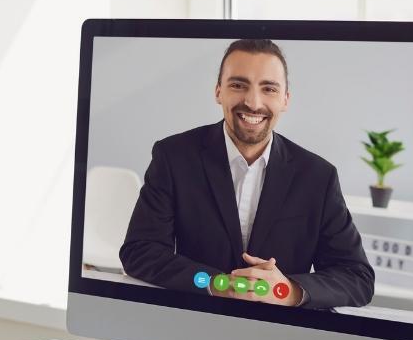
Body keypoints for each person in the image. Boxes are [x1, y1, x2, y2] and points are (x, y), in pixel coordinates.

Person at [118, 39, 374, 310]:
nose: (253, 102)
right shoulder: (173, 156)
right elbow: (140, 251)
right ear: (219, 92)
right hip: (196, 323)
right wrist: (216, 283)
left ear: (285, 99)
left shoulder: (318, 177)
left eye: (269, 89)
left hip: (283, 335)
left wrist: (287, 290)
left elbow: (357, 277)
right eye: (238, 85)